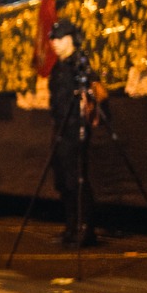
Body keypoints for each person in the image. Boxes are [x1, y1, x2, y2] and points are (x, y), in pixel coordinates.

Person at [46, 20, 104, 247]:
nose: (55, 44)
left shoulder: (79, 63)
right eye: (54, 40)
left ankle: (85, 228)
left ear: (72, 39)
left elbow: (98, 90)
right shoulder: (58, 67)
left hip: (75, 127)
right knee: (62, 179)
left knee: (76, 178)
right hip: (59, 127)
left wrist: (88, 100)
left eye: (60, 39)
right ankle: (71, 226)